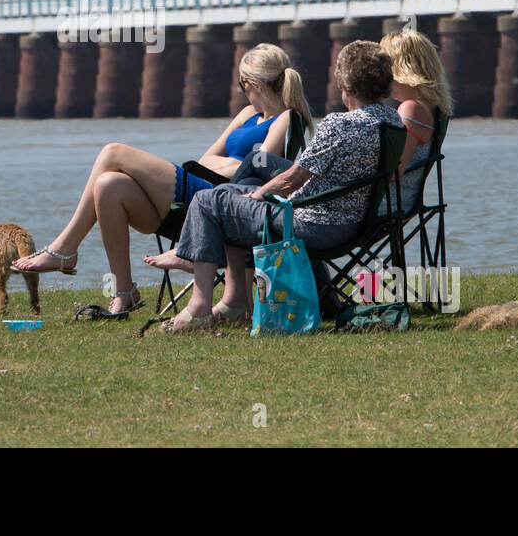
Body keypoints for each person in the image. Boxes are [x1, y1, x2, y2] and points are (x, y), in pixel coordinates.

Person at [11, 43, 314, 316]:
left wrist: (235, 164)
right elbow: (205, 159)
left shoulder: (288, 118)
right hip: (199, 195)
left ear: (253, 84)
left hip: (223, 206)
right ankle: (124, 291)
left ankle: (65, 250)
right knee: (107, 185)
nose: (242, 91)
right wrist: (236, 163)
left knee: (112, 152)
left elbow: (257, 171)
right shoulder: (248, 113)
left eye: (242, 84)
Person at [147, 40, 402, 332]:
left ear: (345, 82)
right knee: (225, 194)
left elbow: (292, 179)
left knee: (207, 201)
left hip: (311, 224)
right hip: (354, 223)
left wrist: (258, 194)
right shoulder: (393, 122)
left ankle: (200, 306)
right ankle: (232, 299)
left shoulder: (339, 125)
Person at [377, 28, 453, 216]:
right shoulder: (432, 107)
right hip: (403, 201)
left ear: (399, 68)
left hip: (385, 205)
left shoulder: (411, 109)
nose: (381, 75)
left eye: (384, 67)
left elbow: (394, 172)